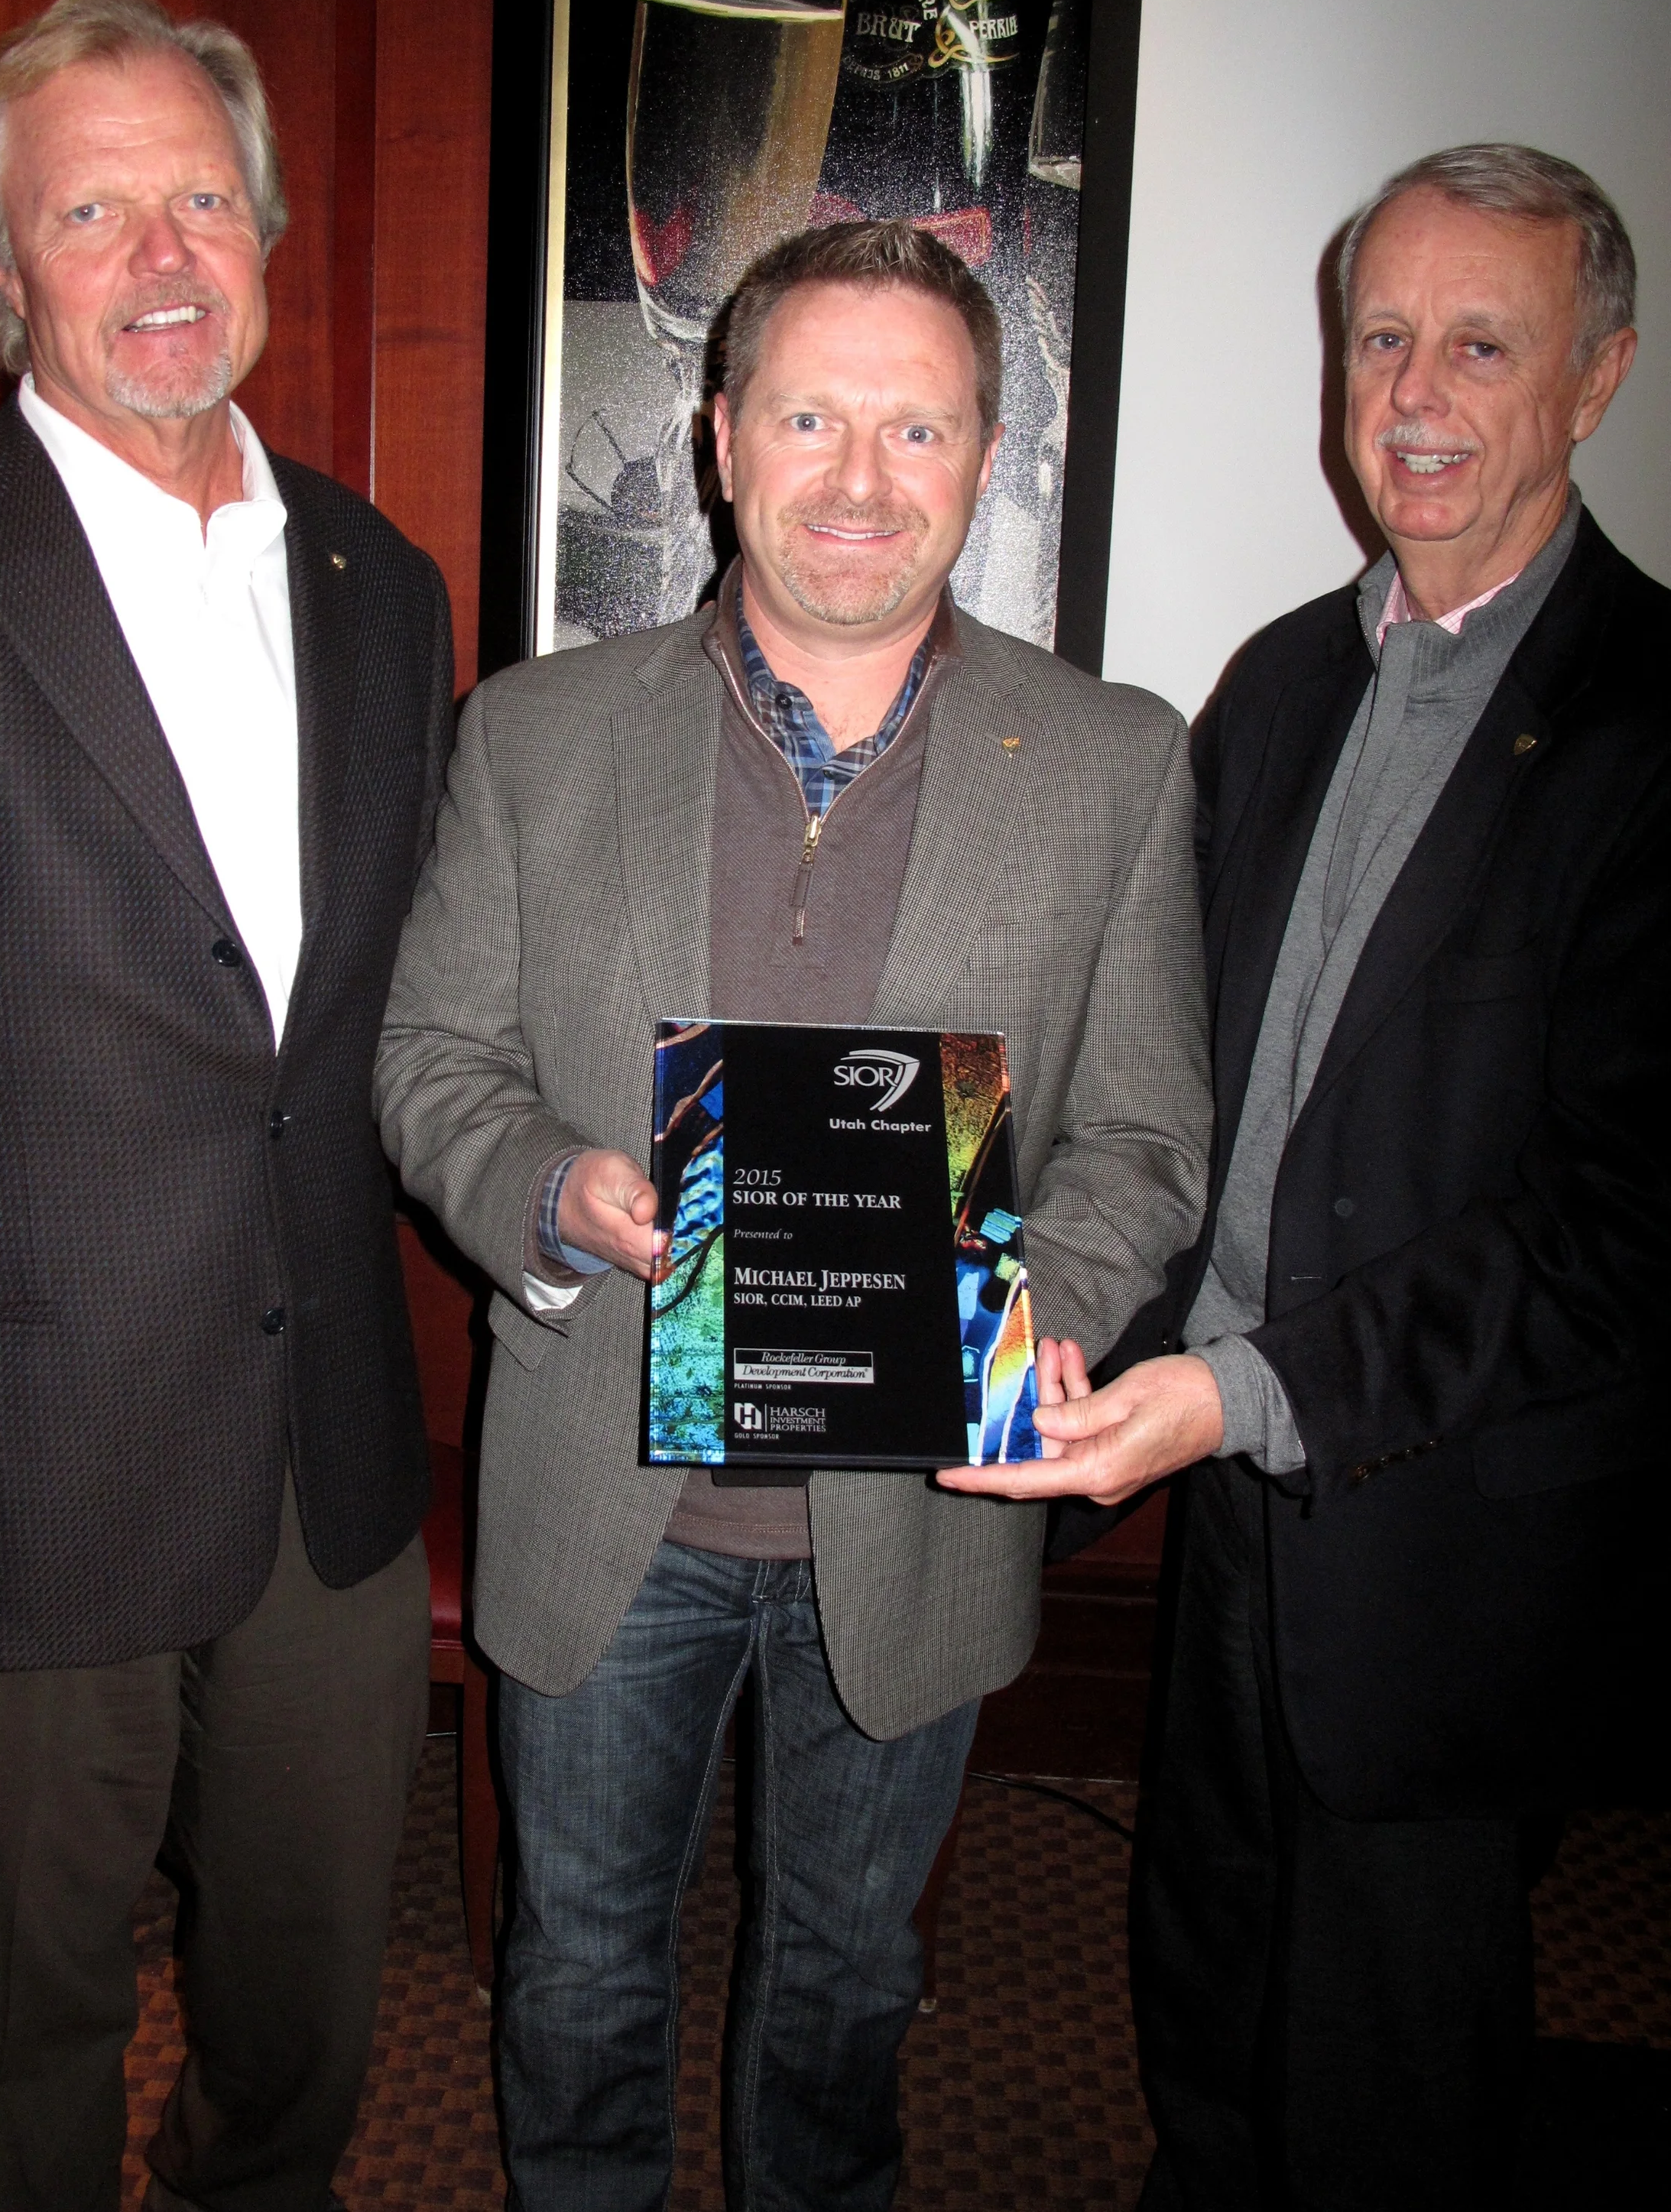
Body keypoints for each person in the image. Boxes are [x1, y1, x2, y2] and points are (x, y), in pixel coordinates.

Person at [374, 219, 1210, 2210]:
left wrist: (1029, 1305)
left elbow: (1154, 1128)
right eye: (812, 416)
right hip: (609, 1500)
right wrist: (554, 1194)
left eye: (914, 427)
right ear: (721, 438)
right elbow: (429, 1058)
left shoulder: (1106, 761)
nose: (858, 478)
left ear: (983, 456)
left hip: (914, 1513)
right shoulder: (536, 734)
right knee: (575, 1975)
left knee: (844, 1983)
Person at [0, 0, 453, 2212]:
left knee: (312, 2010)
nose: (163, 255)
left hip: (321, 1473)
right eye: (90, 209)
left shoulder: (380, 582)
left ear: (263, 228)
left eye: (200, 198)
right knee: (13, 2040)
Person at [944, 145, 1668, 2208]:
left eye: (1478, 342)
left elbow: (1625, 1234)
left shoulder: (1653, 719)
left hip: (1444, 1518)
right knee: (1208, 1981)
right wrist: (1025, 1293)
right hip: (1231, 1486)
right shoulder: (1273, 685)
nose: (1414, 392)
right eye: (1378, 338)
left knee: (1385, 2059)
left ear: (1592, 375)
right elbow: (1166, 1083)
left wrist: (1236, 1394)